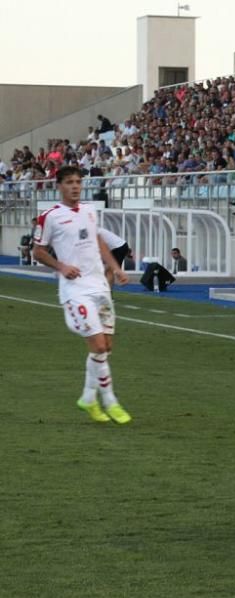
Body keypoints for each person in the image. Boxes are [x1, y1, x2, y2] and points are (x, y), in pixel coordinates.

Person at [31, 166, 131, 424]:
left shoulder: (89, 210)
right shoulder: (50, 217)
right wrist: (62, 266)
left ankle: (87, 397)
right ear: (59, 186)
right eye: (69, 182)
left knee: (106, 347)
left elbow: (97, 242)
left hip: (100, 286)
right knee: (97, 345)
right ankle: (110, 400)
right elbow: (38, 251)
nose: (75, 186)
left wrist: (116, 268)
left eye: (78, 182)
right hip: (75, 291)